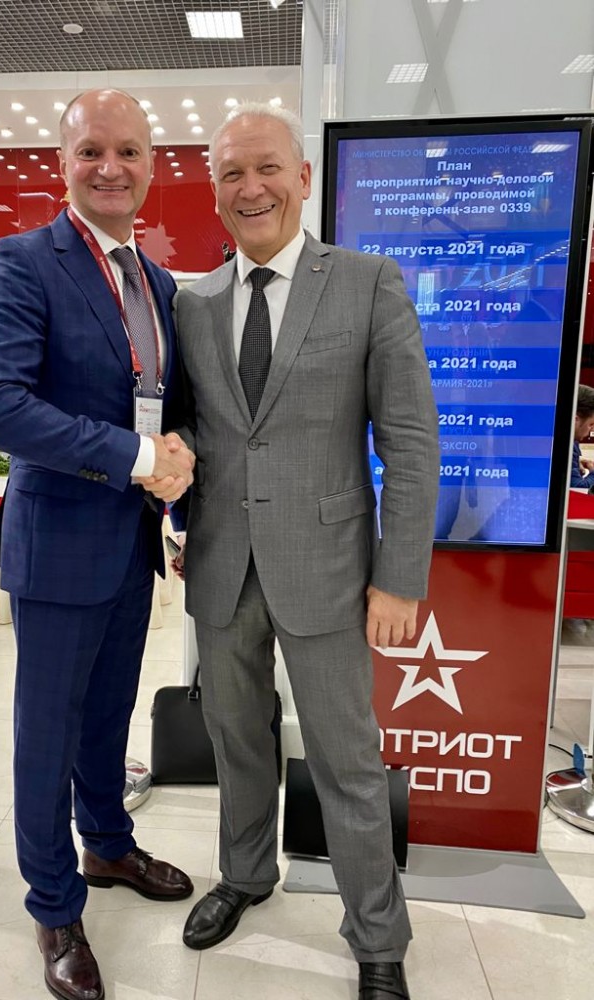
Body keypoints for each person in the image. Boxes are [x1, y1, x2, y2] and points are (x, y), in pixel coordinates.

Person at [163, 103, 439, 1000]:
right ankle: (245, 875)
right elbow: (194, 429)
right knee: (235, 738)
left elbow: (412, 441)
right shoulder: (194, 302)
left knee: (345, 759)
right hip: (221, 566)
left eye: (268, 168)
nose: (252, 188)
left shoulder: (367, 282)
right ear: (214, 191)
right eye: (232, 174)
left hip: (329, 571)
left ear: (304, 177)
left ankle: (378, 937)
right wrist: (174, 485)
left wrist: (399, 578)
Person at [0, 88, 196, 1000]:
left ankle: (106, 847)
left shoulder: (157, 283)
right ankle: (54, 906)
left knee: (107, 716)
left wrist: (177, 470)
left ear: (151, 166)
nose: (111, 167)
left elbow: (168, 408)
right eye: (92, 150)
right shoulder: (24, 261)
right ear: (62, 163)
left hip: (130, 542)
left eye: (129, 151)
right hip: (58, 544)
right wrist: (138, 457)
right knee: (48, 733)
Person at [570, 384, 594, 489]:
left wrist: (574, 465)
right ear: (574, 420)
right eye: (591, 424)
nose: (592, 430)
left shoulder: (573, 441)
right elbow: (578, 488)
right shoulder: (567, 448)